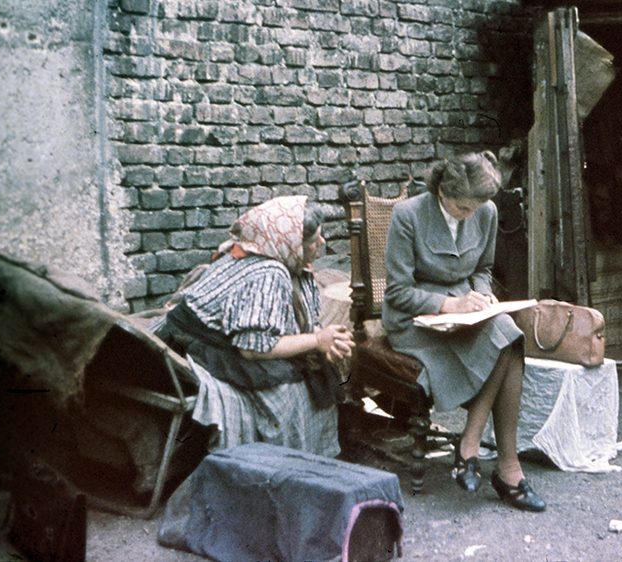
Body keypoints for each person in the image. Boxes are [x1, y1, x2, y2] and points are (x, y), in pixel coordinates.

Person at [383, 151, 546, 512]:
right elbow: (396, 291)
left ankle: (476, 450)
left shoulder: (486, 211)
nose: (470, 215)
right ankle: (504, 467)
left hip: (465, 314)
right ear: (442, 192)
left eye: (476, 208)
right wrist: (448, 305)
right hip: (415, 321)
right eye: (462, 208)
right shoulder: (408, 214)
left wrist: (484, 293)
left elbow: (483, 268)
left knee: (508, 332)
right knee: (508, 341)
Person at [155, 195, 355, 458]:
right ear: (292, 243)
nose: (323, 242)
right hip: (194, 342)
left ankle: (311, 461)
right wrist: (317, 341)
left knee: (315, 372)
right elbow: (253, 348)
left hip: (225, 337)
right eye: (314, 238)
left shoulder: (269, 254)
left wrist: (322, 339)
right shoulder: (268, 273)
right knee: (287, 392)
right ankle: (284, 464)